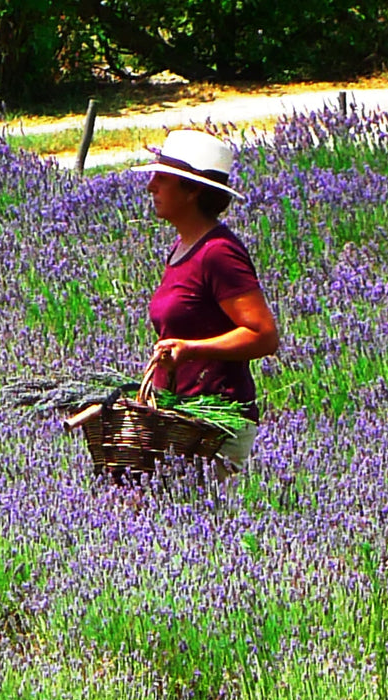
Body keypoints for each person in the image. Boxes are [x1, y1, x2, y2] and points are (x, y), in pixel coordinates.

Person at [131, 128, 279, 476]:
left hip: (214, 423)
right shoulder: (181, 249)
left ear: (192, 190)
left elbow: (263, 335)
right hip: (179, 416)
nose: (151, 186)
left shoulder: (219, 253)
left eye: (162, 178)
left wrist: (193, 349)